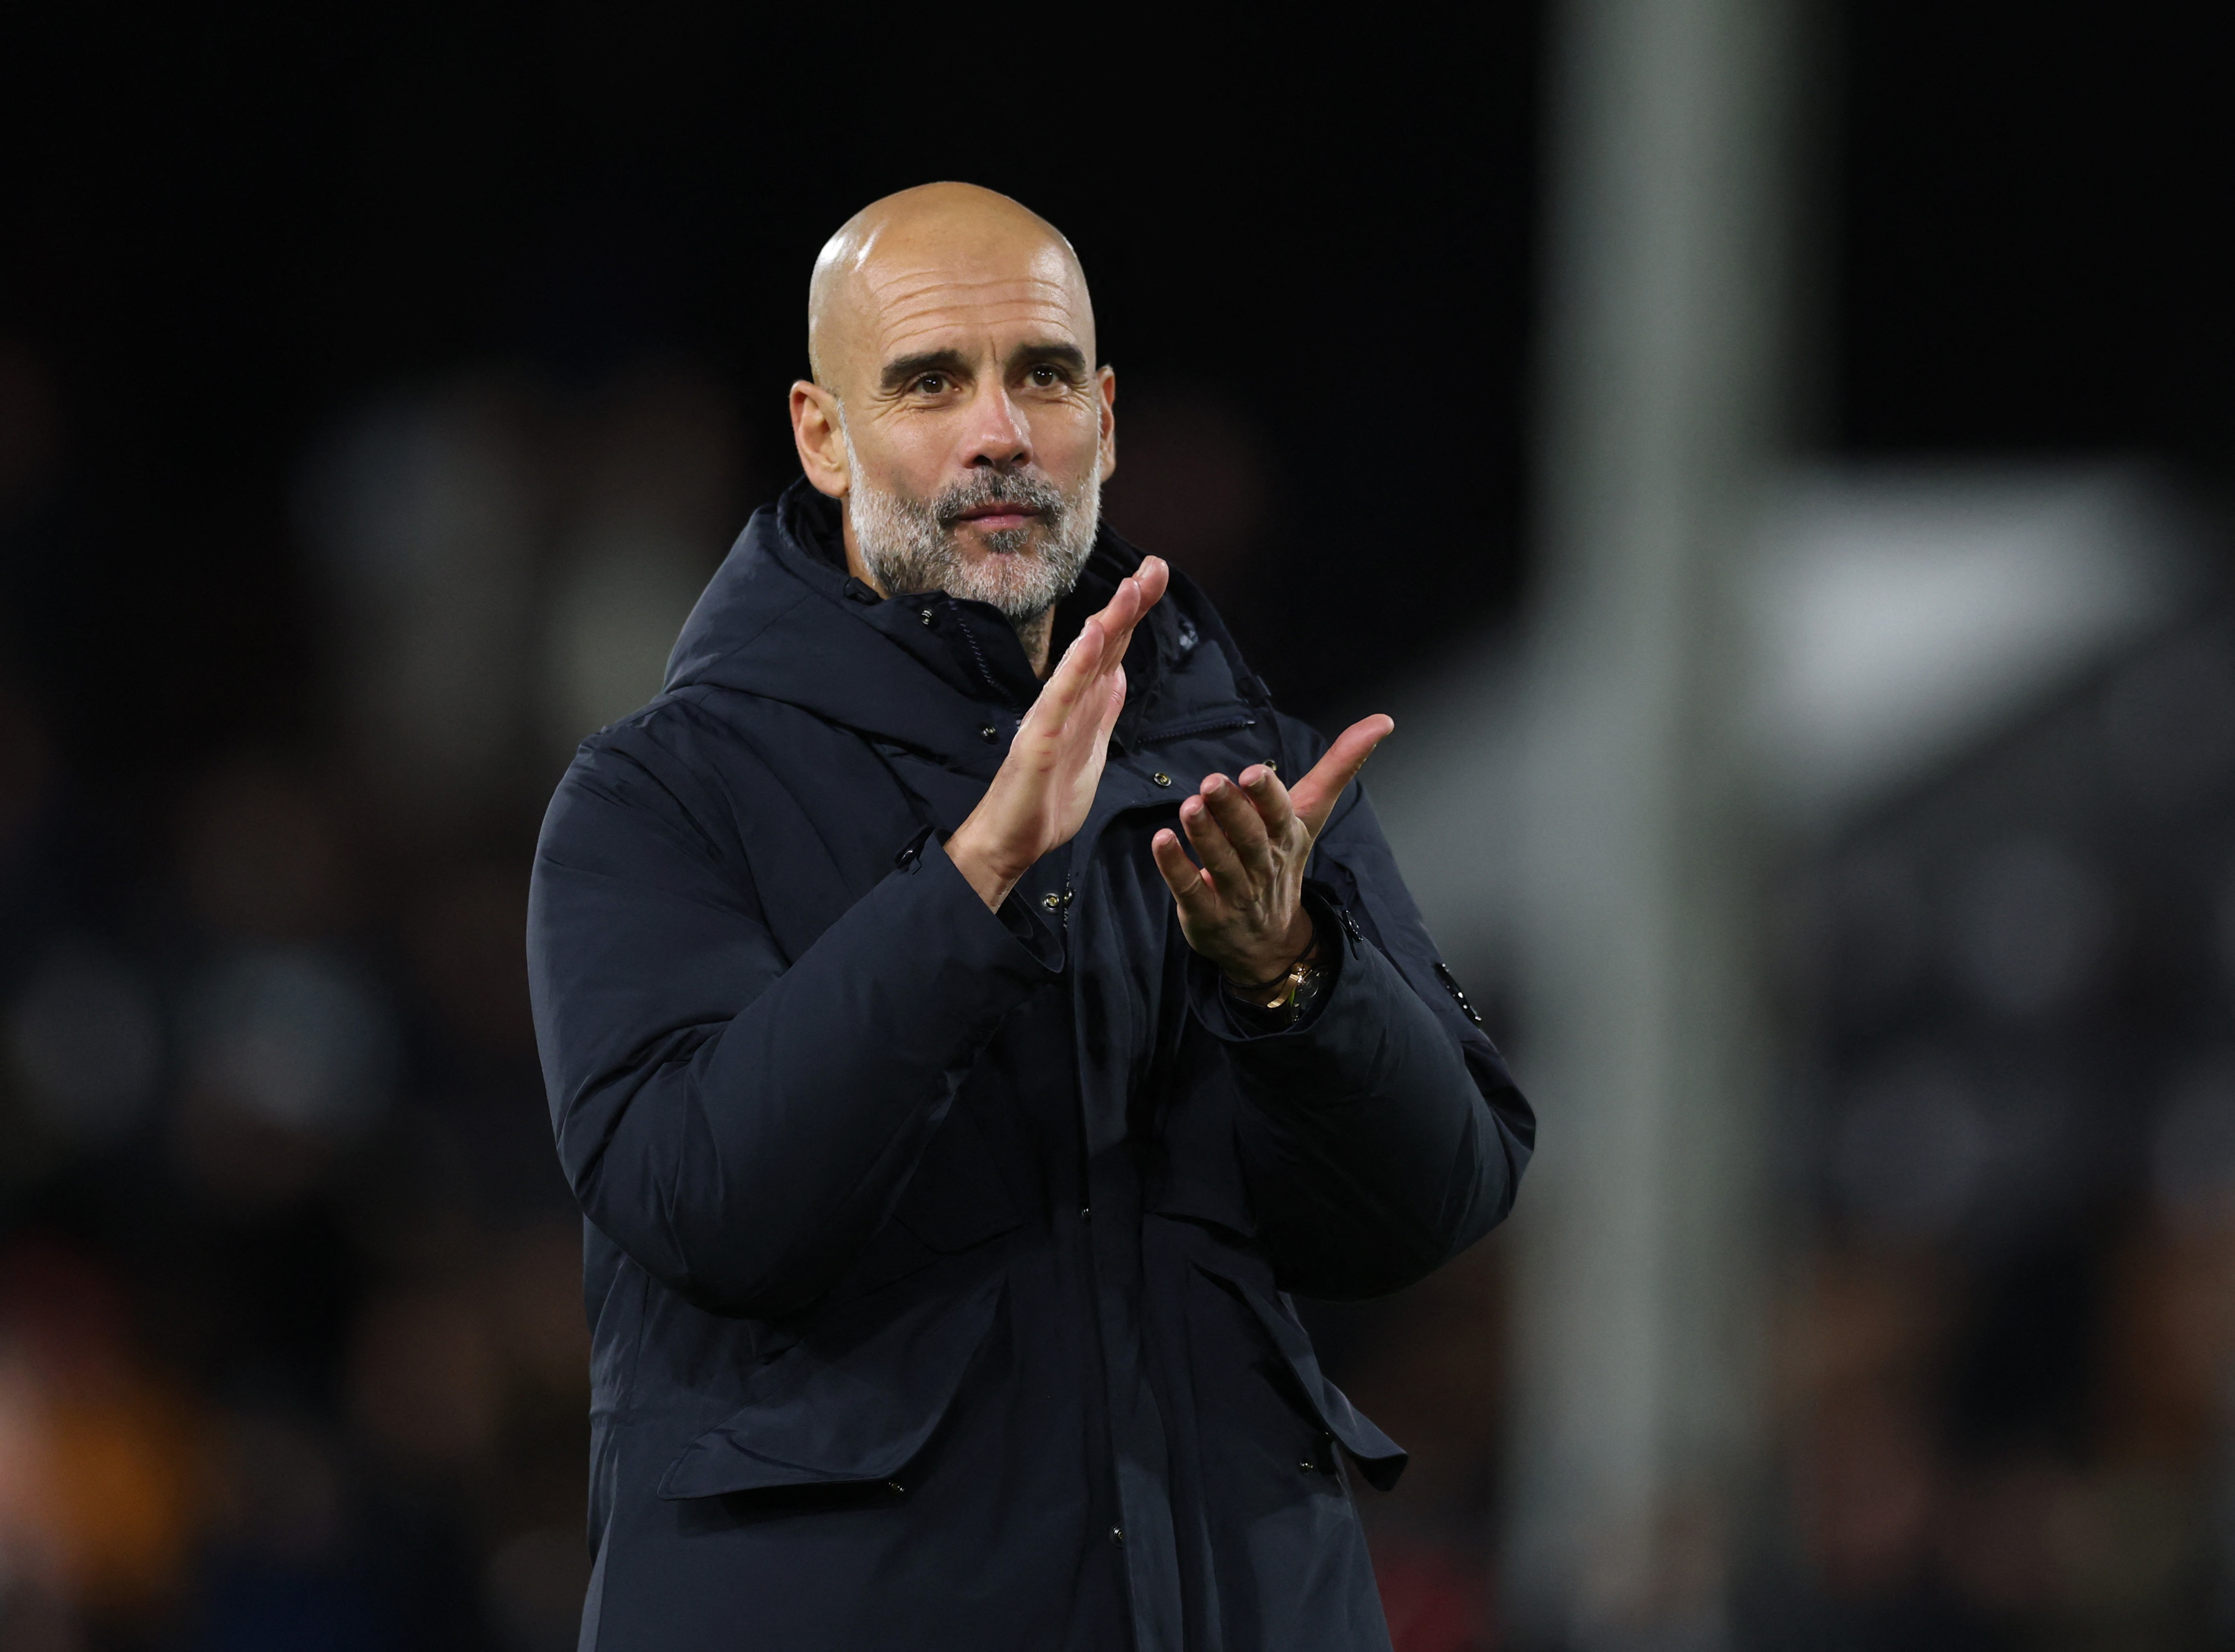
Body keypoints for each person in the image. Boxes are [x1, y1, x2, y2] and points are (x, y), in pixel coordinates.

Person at [526, 181, 1534, 1652]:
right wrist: (975, 875)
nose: (998, 429)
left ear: (1106, 420)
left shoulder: (1233, 759)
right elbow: (706, 1198)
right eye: (931, 381)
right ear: (823, 433)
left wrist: (1292, 981)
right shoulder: (660, 793)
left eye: (1042, 375)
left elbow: (1445, 1194)